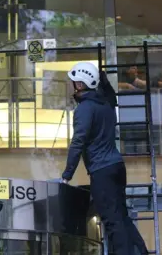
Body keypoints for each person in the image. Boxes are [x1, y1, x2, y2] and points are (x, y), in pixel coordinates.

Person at [61, 62, 149, 255]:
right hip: (117, 167)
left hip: (102, 171)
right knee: (122, 218)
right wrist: (104, 80)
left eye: (72, 81)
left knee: (112, 222)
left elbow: (78, 142)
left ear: (80, 85)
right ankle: (141, 252)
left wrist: (67, 175)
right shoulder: (106, 104)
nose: (70, 84)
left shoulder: (85, 108)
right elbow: (112, 97)